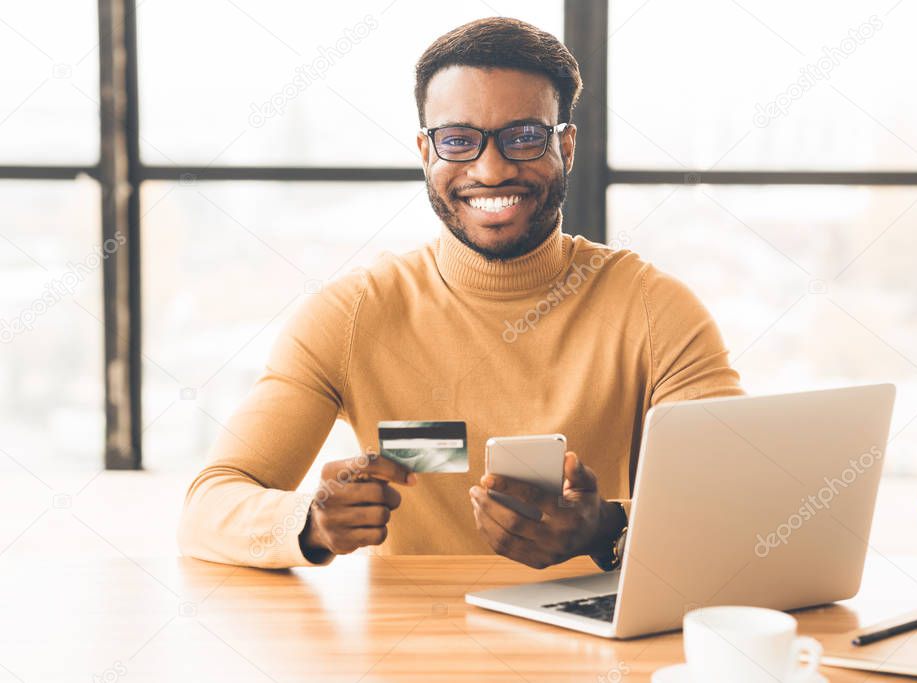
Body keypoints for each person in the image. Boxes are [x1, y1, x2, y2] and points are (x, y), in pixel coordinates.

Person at [177, 16, 742, 571]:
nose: (491, 170)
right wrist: (311, 523)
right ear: (427, 153)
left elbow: (745, 503)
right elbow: (208, 506)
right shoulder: (352, 314)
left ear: (566, 147)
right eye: (458, 141)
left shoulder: (654, 309)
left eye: (523, 137)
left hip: (597, 649)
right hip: (411, 654)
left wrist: (609, 528)